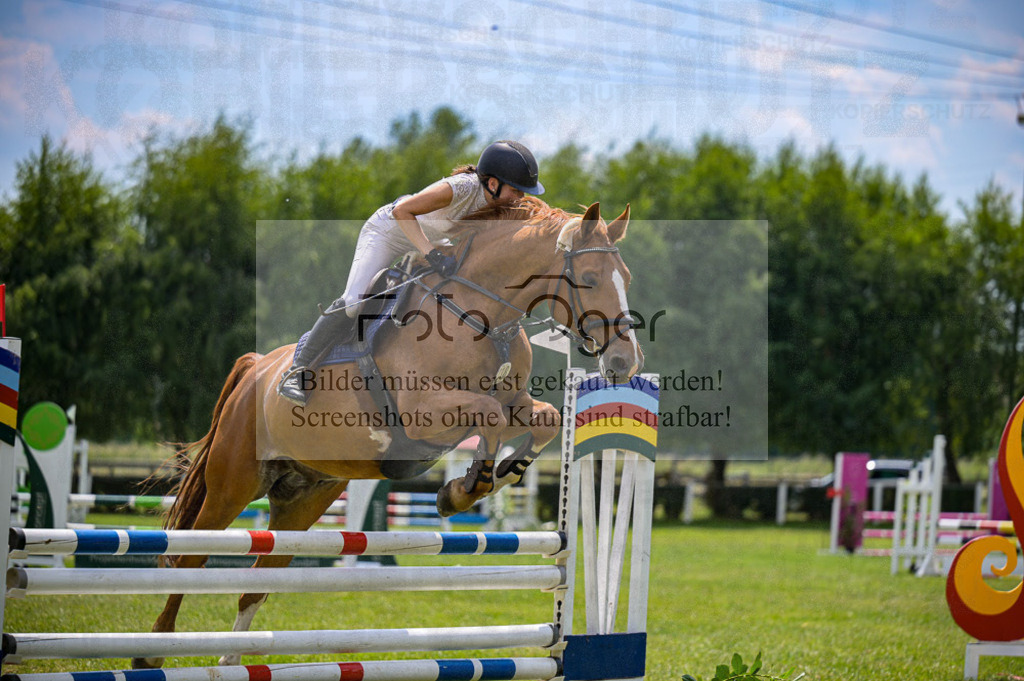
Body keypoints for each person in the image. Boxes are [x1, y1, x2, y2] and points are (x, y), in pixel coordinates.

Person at [278, 140, 546, 406]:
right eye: (516, 191)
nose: (520, 198)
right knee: (353, 303)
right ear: (492, 183)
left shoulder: (498, 202)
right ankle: (298, 370)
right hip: (390, 231)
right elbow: (402, 211)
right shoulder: (461, 188)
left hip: (432, 237)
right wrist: (430, 254)